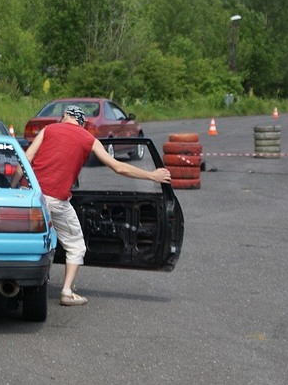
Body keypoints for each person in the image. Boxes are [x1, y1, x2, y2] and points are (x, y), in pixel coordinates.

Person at [11, 105, 171, 306]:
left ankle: (16, 280)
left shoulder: (48, 130)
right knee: (76, 246)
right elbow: (118, 167)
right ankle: (67, 292)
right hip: (55, 200)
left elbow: (25, 160)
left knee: (21, 239)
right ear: (82, 122)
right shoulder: (89, 139)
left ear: (65, 116)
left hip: (29, 196)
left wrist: (13, 188)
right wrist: (152, 175)